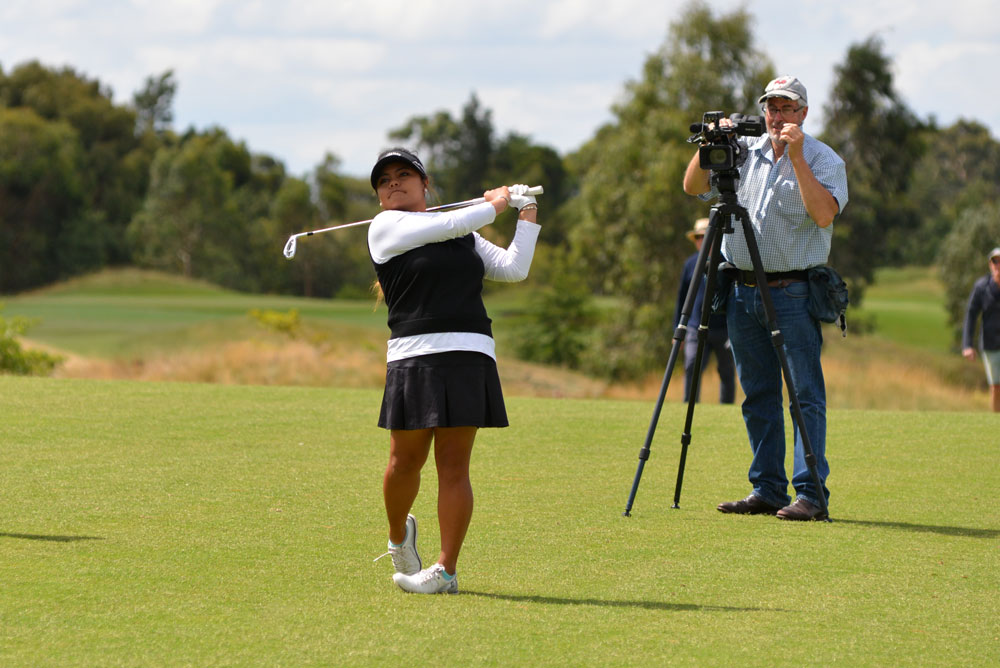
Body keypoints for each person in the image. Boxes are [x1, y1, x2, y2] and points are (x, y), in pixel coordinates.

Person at [367, 147, 540, 593]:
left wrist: (526, 213)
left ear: (424, 184)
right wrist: (494, 204)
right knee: (404, 462)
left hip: (469, 350)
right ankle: (398, 537)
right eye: (384, 180)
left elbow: (513, 268)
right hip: (413, 354)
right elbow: (447, 224)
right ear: (380, 196)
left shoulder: (465, 234)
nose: (393, 183)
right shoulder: (385, 227)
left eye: (404, 174)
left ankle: (446, 571)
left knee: (454, 466)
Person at [682, 75, 848, 521]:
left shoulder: (824, 159)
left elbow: (823, 214)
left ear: (803, 113)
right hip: (741, 290)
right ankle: (768, 488)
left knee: (803, 396)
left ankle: (811, 495)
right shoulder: (744, 150)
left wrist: (796, 157)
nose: (777, 116)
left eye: (787, 108)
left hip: (793, 291)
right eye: (772, 107)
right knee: (757, 395)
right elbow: (693, 187)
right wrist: (710, 142)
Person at [673, 217, 736, 404]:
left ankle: (726, 407)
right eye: (698, 237)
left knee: (727, 370)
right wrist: (678, 329)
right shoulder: (690, 264)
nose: (702, 240)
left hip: (723, 328)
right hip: (695, 326)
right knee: (692, 365)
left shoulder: (727, 261)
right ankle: (689, 405)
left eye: (706, 236)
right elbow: (682, 298)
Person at [961, 247, 1000, 412]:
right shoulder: (981, 287)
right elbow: (971, 315)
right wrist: (967, 345)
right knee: (996, 386)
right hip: (991, 344)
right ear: (990, 265)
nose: (998, 265)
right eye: (995, 261)